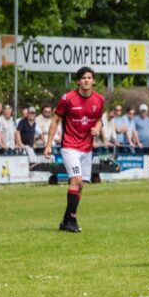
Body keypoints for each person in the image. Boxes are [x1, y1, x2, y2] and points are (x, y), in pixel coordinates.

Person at [44, 67, 105, 233]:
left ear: (93, 81)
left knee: (81, 185)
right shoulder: (68, 98)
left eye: (89, 77)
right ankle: (72, 219)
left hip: (87, 147)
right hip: (70, 146)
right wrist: (49, 144)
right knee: (76, 181)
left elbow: (100, 119)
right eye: (83, 78)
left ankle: (65, 220)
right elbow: (55, 119)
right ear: (78, 81)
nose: (86, 80)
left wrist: (97, 128)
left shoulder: (99, 99)